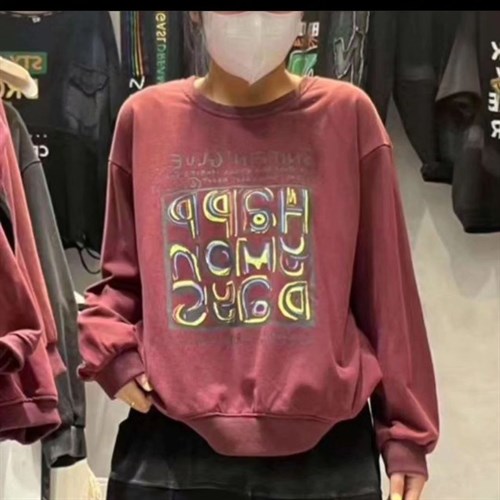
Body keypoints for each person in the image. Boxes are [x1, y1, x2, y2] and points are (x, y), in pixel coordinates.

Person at [78, 11, 439, 500]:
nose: (254, 18)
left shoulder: (347, 116)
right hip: (170, 445)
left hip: (327, 455)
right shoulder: (145, 119)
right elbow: (120, 281)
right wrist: (112, 354)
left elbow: (387, 292)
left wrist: (406, 435)